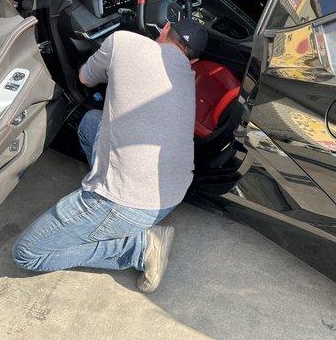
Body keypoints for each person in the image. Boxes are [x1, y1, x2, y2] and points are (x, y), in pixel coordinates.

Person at [12, 19, 208, 293]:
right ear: (194, 60)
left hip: (131, 206)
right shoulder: (188, 76)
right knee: (91, 122)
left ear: (163, 29)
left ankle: (137, 248)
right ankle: (116, 210)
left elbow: (84, 78)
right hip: (171, 196)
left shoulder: (122, 42)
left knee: (28, 253)